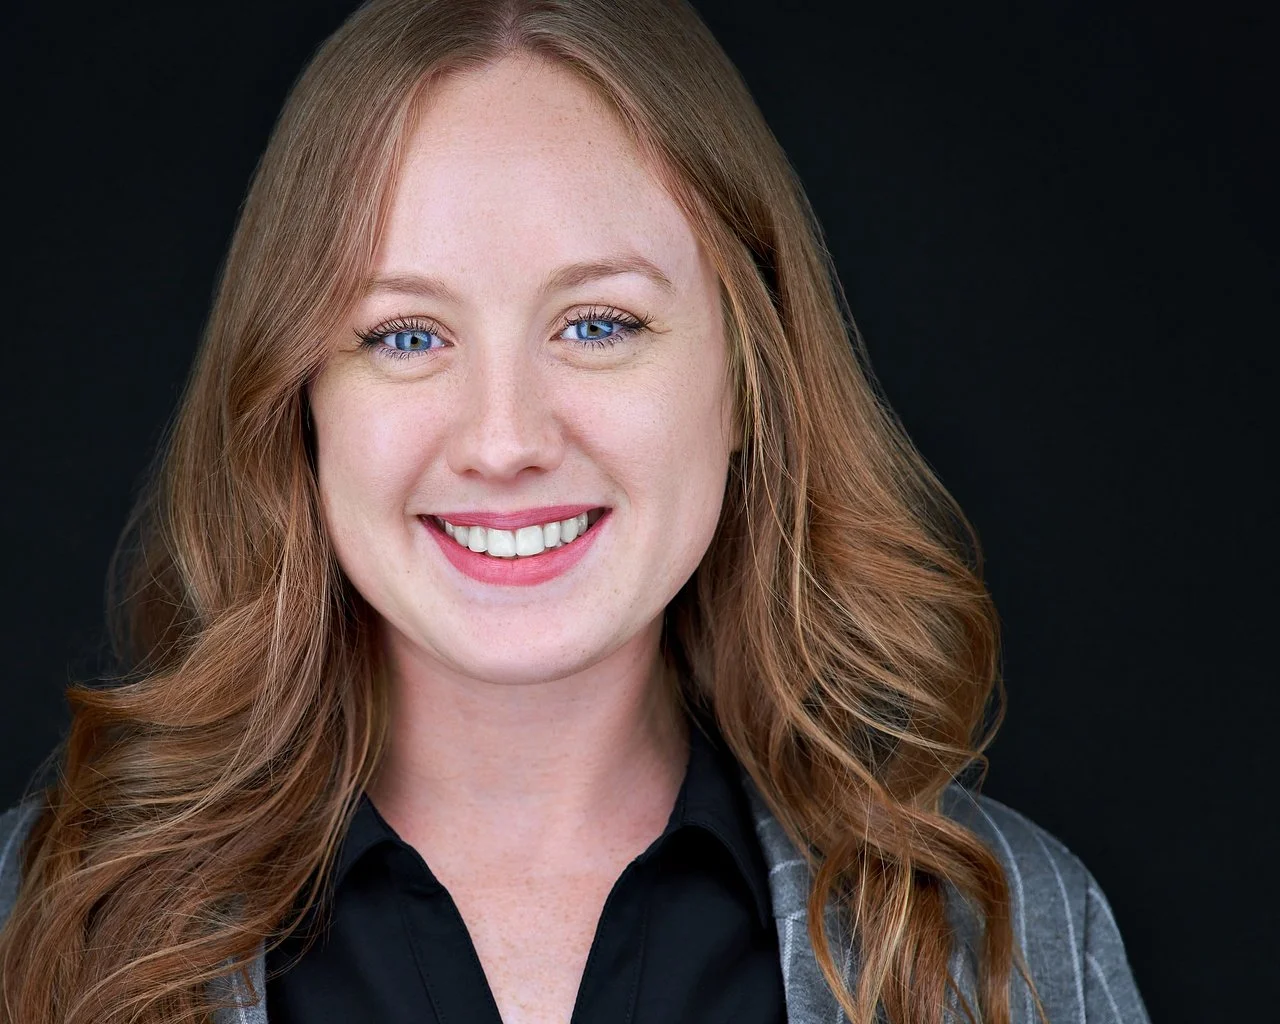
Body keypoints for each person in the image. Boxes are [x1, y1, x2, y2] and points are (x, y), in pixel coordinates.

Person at [0, 1, 1151, 1022]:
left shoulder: (1003, 940)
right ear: (296, 404)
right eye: (405, 334)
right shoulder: (44, 927)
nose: (504, 440)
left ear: (750, 379)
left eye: (597, 324)